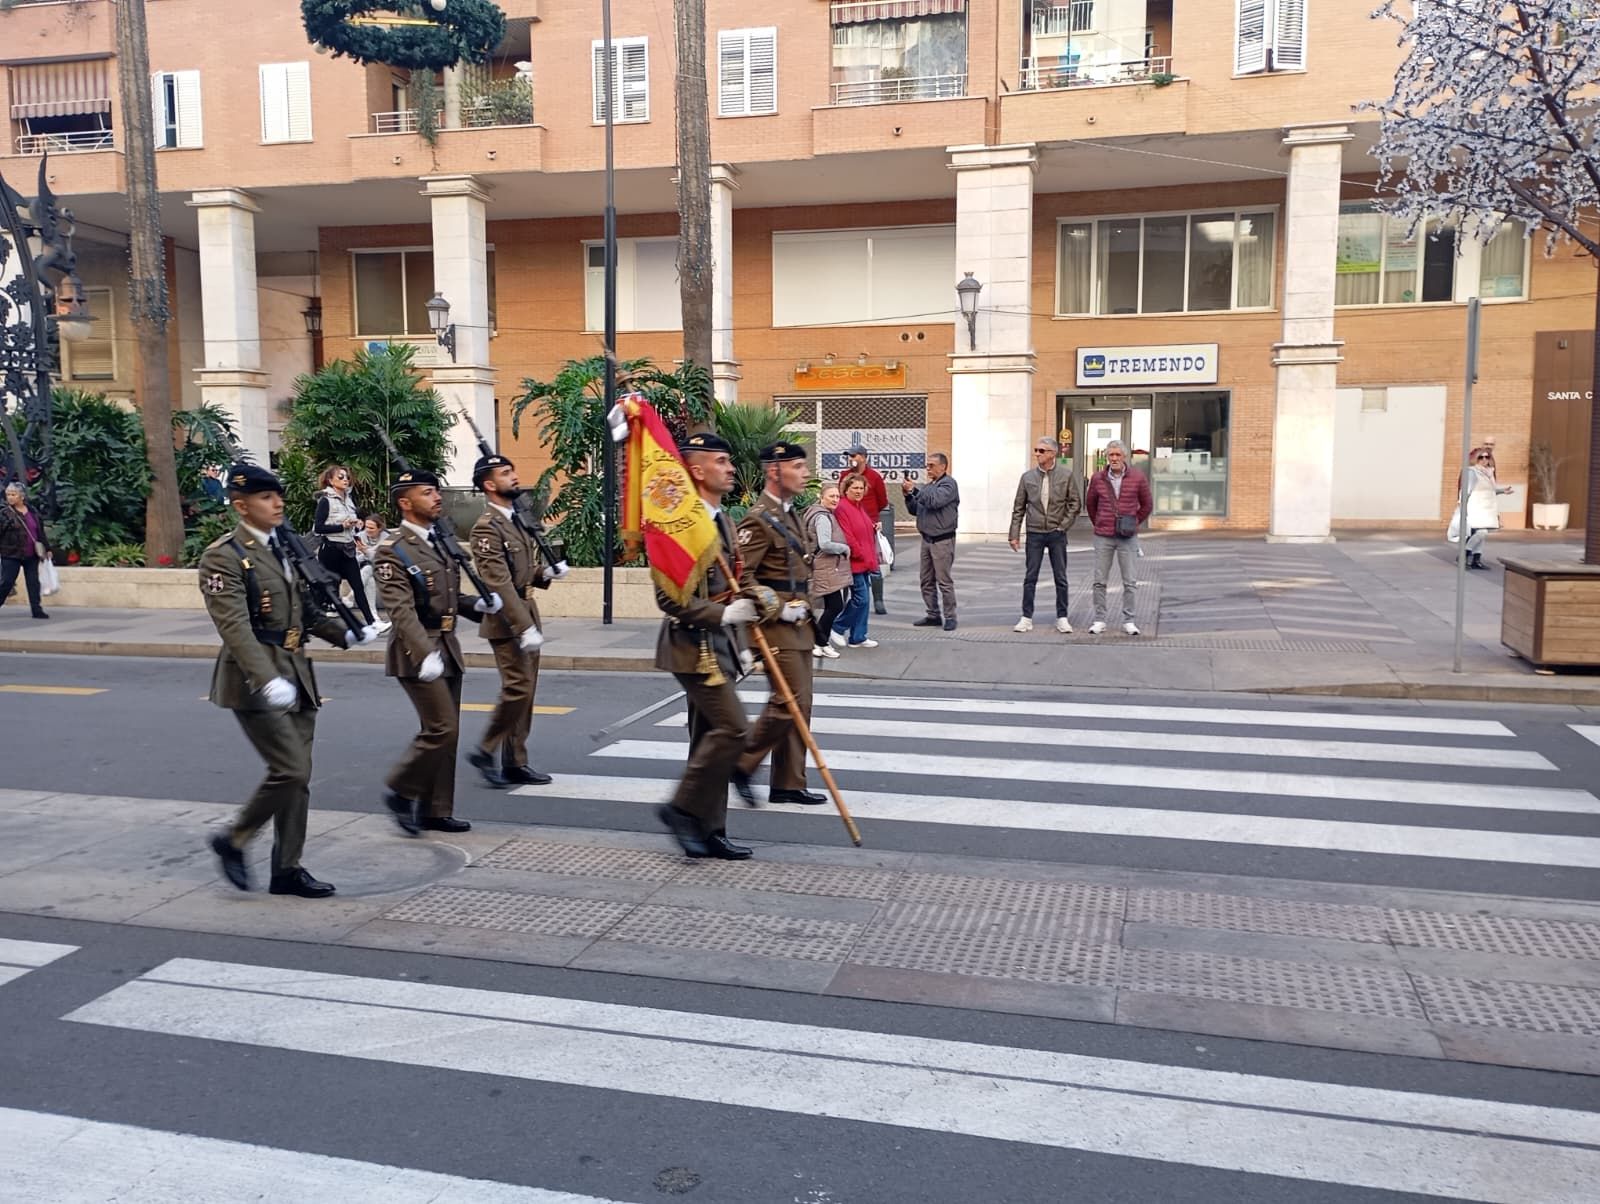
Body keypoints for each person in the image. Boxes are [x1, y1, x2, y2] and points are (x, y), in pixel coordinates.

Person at [197, 463, 378, 897]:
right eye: (265, 497)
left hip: (297, 671)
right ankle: (234, 839)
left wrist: (345, 633)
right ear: (241, 506)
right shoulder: (222, 556)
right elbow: (235, 627)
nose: (277, 503)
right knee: (290, 768)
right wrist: (265, 678)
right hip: (254, 678)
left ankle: (287, 869)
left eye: (277, 495)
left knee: (299, 778)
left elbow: (307, 613)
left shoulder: (285, 547)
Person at [654, 431, 765, 859]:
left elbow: (739, 579)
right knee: (734, 729)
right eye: (721, 461)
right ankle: (680, 809)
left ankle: (710, 829)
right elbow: (668, 597)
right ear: (696, 470)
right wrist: (723, 615)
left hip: (722, 645)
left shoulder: (723, 518)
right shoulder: (677, 523)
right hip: (691, 645)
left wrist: (762, 608)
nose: (731, 467)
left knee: (709, 742)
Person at [374, 469, 502, 837]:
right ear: (405, 502)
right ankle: (401, 789)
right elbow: (401, 609)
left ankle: (435, 809)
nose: (437, 498)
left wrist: (478, 605)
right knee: (440, 728)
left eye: (436, 492)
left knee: (447, 731)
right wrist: (424, 652)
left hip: (447, 645)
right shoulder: (392, 549)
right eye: (427, 493)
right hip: (417, 650)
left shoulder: (440, 542)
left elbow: (447, 599)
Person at [733, 441, 828, 808]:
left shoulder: (790, 514)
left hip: (800, 623)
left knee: (801, 705)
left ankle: (788, 782)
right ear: (774, 471)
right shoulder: (757, 519)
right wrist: (777, 607)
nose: (806, 473)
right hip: (775, 626)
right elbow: (742, 578)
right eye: (798, 466)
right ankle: (741, 763)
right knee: (789, 700)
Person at [466, 452, 564, 788]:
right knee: (518, 687)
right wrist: (523, 627)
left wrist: (545, 572)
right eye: (506, 473)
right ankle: (485, 748)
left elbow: (521, 572)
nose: (514, 476)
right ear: (490, 485)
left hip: (527, 609)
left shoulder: (515, 520)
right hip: (507, 619)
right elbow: (498, 581)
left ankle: (515, 760)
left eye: (513, 470)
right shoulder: (486, 527)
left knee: (527, 690)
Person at [1008, 436, 1082, 634]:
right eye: (1036, 450)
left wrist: (1063, 526)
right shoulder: (1027, 477)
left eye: (1041, 451)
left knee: (1061, 577)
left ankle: (1062, 617)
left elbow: (1075, 503)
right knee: (1030, 577)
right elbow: (1018, 507)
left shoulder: (1066, 476)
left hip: (1057, 533)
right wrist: (1014, 534)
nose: (1037, 454)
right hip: (1035, 533)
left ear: (1052, 453)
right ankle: (1026, 617)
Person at [1084, 439, 1152, 636]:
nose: (1114, 458)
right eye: (1110, 455)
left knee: (1129, 581)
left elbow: (1147, 504)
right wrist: (1099, 522)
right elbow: (1090, 505)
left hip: (1127, 536)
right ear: (1107, 457)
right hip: (1103, 535)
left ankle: (1129, 620)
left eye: (1117, 455)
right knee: (1099, 580)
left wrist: (1134, 522)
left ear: (1124, 457)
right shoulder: (1097, 478)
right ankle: (1099, 619)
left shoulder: (1138, 477)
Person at [313, 466, 387, 633]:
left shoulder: (348, 499)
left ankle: (371, 622)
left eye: (346, 477)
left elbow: (350, 522)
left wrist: (356, 524)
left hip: (347, 549)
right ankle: (316, 621)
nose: (345, 480)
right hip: (331, 549)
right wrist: (341, 526)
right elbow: (318, 528)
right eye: (340, 477)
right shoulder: (326, 500)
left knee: (358, 585)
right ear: (331, 481)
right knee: (329, 588)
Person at [901, 453, 959, 631]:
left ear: (943, 467)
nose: (928, 469)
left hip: (942, 540)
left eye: (932, 465)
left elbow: (935, 502)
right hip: (926, 539)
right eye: (927, 465)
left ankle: (950, 616)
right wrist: (908, 496)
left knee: (944, 581)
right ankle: (933, 614)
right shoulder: (927, 487)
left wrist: (915, 491)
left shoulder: (949, 484)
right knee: (926, 580)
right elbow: (916, 510)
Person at [829, 473, 880, 650]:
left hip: (864, 561)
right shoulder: (843, 507)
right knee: (861, 599)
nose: (859, 491)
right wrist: (859, 554)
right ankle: (837, 627)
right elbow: (847, 535)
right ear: (846, 489)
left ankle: (858, 636)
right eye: (855, 488)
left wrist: (874, 527)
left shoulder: (859, 506)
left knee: (864, 599)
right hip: (855, 562)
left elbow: (863, 530)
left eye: (861, 488)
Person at [804, 482, 851, 661]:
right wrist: (843, 548)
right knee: (835, 605)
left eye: (837, 496)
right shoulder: (822, 517)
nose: (835, 499)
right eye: (831, 496)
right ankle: (821, 642)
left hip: (821, 566)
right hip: (824, 567)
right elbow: (824, 544)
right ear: (821, 497)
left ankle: (818, 642)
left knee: (831, 605)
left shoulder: (814, 513)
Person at [846, 441, 890, 615]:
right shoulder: (845, 476)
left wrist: (872, 518)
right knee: (853, 563)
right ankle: (853, 598)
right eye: (849, 456)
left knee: (874, 564)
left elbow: (882, 501)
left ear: (863, 458)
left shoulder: (874, 477)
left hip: (869, 525)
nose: (851, 459)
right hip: (849, 525)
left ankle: (878, 599)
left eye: (854, 456)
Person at [1454, 446, 1514, 570]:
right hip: (1476, 506)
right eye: (1481, 457)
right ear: (1475, 459)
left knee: (1482, 534)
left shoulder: (1489, 473)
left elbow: (1491, 490)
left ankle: (1476, 559)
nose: (1484, 459)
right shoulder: (1472, 472)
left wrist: (1503, 491)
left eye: (1487, 457)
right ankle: (1463, 555)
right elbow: (1465, 490)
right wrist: (1461, 504)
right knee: (1481, 532)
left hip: (1488, 508)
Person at [0, 483, 50, 620]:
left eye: (13, 494)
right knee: (7, 582)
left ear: (22, 496)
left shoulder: (32, 512)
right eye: (8, 494)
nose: (10, 497)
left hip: (31, 554)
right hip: (11, 554)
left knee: (33, 582)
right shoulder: (4, 513)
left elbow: (39, 532)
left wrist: (48, 548)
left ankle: (37, 610)